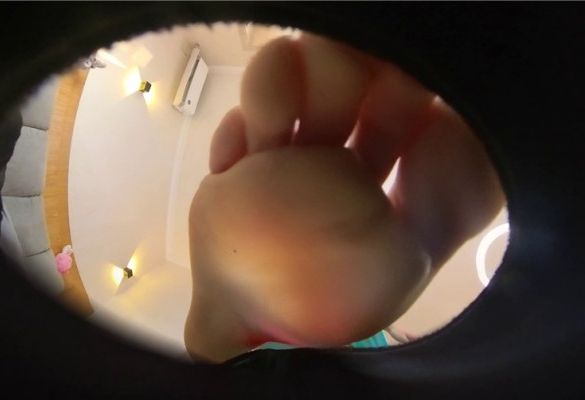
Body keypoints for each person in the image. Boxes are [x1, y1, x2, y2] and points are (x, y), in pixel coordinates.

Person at [184, 32, 505, 363]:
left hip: (351, 356)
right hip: (352, 350)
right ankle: (220, 327)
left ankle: (225, 323)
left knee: (387, 361)